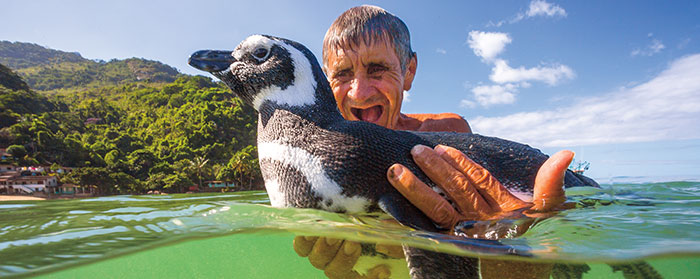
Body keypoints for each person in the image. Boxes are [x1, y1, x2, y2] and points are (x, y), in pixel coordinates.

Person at [293, 5, 572, 279]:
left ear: (409, 71)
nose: (359, 92)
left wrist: (511, 231)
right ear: (325, 80)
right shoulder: (311, 164)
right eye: (342, 74)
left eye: (377, 69)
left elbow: (489, 216)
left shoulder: (449, 131)